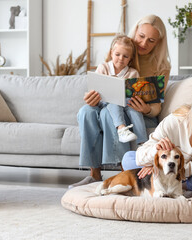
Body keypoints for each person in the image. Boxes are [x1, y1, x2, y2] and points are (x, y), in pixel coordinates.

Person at [69, 15, 171, 188]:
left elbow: (156, 106)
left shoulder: (161, 66)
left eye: (151, 40)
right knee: (86, 112)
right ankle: (94, 174)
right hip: (112, 105)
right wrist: (91, 98)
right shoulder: (122, 49)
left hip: (137, 112)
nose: (144, 43)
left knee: (107, 114)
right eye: (141, 36)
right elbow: (102, 84)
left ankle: (123, 174)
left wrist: (146, 108)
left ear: (158, 43)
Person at [96, 35, 147, 144]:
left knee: (135, 111)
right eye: (117, 54)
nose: (120, 59)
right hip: (107, 101)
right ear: (111, 53)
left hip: (126, 103)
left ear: (130, 58)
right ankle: (122, 129)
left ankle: (143, 143)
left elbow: (135, 93)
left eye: (125, 56)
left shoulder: (133, 73)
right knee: (114, 99)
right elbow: (96, 89)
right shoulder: (103, 67)